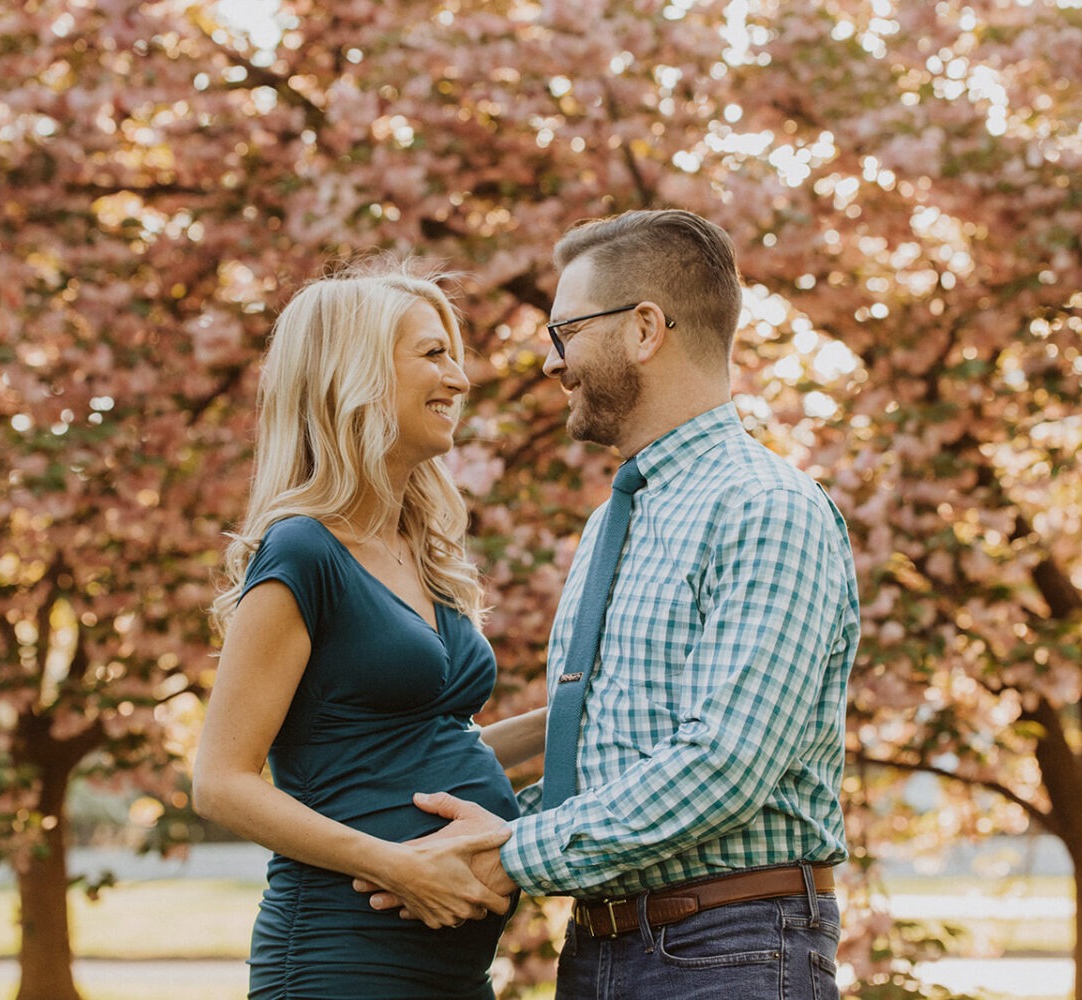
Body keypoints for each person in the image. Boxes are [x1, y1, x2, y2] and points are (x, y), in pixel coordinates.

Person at [361, 210, 861, 999]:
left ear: (643, 329)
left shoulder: (765, 507)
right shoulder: (617, 519)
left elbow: (722, 764)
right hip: (602, 947)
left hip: (728, 952)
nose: (555, 364)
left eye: (565, 333)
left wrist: (504, 853)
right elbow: (609, 752)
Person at [193, 260, 546, 1000]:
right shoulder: (303, 550)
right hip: (341, 960)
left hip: (453, 973)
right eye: (432, 354)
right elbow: (220, 783)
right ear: (353, 372)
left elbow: (410, 748)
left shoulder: (418, 550)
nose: (460, 377)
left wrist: (569, 720)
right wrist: (396, 864)